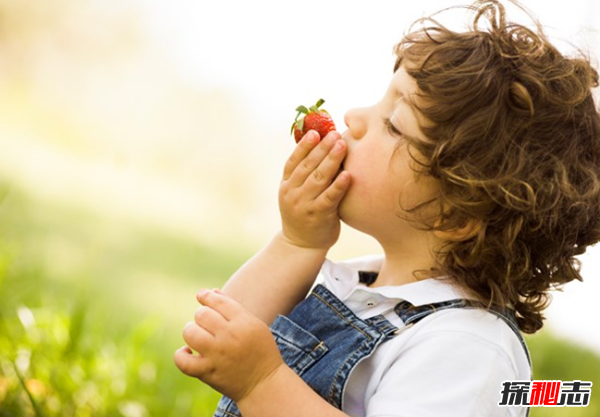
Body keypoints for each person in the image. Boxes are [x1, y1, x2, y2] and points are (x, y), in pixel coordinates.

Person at [174, 0, 600, 415]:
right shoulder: (360, 281)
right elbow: (214, 335)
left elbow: (252, 372)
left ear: (456, 214)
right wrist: (297, 242)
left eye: (393, 124)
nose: (354, 118)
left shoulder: (468, 349)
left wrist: (263, 384)